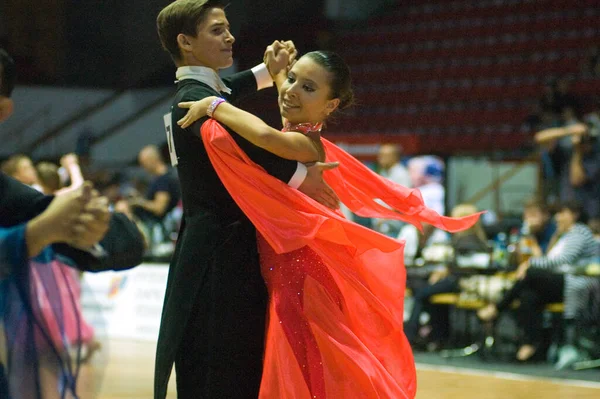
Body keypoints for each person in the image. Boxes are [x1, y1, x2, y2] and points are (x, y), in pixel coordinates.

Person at [178, 50, 480, 398]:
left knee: (310, 369)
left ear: (330, 106)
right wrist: (278, 73)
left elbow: (263, 136)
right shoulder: (298, 126)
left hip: (299, 276)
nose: (291, 91)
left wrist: (213, 105)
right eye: (293, 79)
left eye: (308, 87)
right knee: (307, 366)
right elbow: (284, 99)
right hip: (289, 272)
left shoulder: (304, 145)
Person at [155, 2, 341, 398]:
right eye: (217, 31)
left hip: (219, 248)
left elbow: (227, 90)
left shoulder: (198, 92)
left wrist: (266, 71)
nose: (230, 37)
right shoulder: (196, 100)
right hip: (220, 253)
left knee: (233, 365)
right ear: (186, 42)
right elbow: (252, 146)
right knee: (221, 370)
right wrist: (300, 176)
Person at [1, 47, 145, 398]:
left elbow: (125, 243)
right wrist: (41, 232)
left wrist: (89, 228)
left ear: (2, 110)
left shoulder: (9, 196)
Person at [477, 202, 597, 364]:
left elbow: (562, 260)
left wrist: (530, 264)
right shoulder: (563, 235)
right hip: (558, 281)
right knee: (528, 296)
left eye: (562, 213)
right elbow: (546, 257)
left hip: (575, 283)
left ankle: (498, 307)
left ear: (574, 215)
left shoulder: (580, 232)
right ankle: (532, 345)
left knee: (531, 273)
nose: (558, 217)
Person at [403, 204, 489, 350]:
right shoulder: (475, 238)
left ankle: (409, 337)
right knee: (427, 293)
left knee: (422, 293)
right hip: (461, 279)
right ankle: (437, 337)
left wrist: (447, 269)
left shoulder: (466, 239)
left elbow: (461, 266)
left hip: (463, 282)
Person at [372, 144, 411, 237]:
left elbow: (403, 200)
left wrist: (386, 216)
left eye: (384, 156)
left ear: (395, 157)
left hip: (394, 226)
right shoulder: (384, 172)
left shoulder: (401, 174)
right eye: (380, 155)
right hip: (381, 223)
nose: (380, 158)